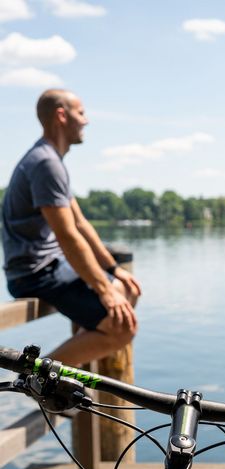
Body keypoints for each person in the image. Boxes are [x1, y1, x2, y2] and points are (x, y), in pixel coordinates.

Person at [2, 89, 141, 366]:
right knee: (122, 328)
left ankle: (62, 385)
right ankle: (35, 379)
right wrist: (103, 290)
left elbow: (80, 224)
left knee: (128, 291)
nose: (86, 121)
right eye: (81, 113)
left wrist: (113, 270)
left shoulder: (52, 161)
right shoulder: (45, 163)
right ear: (61, 116)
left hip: (52, 266)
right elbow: (67, 235)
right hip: (33, 273)